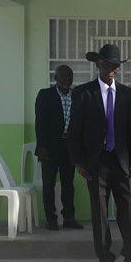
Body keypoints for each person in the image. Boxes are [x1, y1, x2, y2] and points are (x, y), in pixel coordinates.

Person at [66, 44, 131, 262]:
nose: (111, 69)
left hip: (122, 162)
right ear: (98, 65)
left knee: (128, 212)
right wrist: (78, 161)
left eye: (115, 66)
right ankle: (105, 260)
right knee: (100, 214)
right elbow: (74, 131)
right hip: (96, 164)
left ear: (118, 68)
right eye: (106, 64)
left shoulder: (127, 94)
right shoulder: (83, 93)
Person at [34, 64, 82, 231]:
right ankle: (51, 220)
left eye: (69, 76)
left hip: (69, 147)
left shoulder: (77, 95)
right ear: (55, 78)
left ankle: (69, 218)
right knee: (49, 185)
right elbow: (39, 123)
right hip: (50, 148)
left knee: (69, 184)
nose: (66, 79)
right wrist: (41, 146)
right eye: (63, 76)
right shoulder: (45, 95)